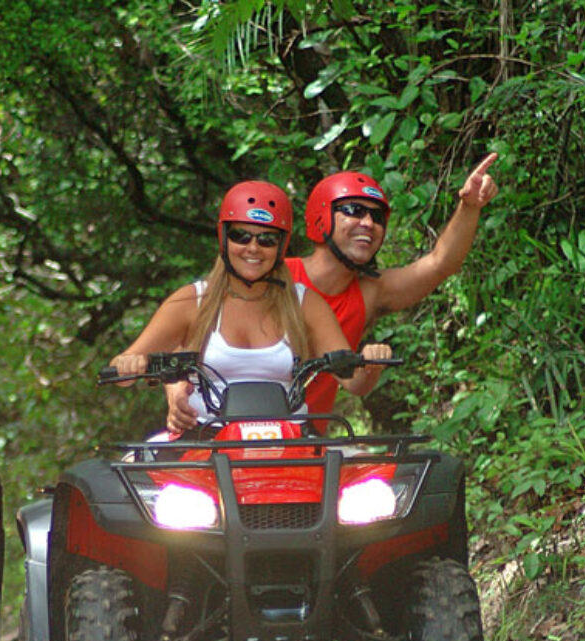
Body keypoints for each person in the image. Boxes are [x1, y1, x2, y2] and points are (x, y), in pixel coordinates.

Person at [111, 181, 391, 435]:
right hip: (203, 443)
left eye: (267, 239)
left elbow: (354, 382)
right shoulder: (191, 302)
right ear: (224, 238)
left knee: (364, 487)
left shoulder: (305, 303)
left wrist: (370, 363)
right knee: (141, 487)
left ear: (281, 246)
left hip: (289, 444)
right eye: (241, 236)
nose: (253, 248)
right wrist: (130, 364)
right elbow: (121, 371)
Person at [288, 154, 500, 419]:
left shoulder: (371, 291)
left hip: (307, 444)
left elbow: (439, 264)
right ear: (321, 217)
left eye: (377, 216)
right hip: (238, 434)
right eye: (355, 211)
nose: (368, 223)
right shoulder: (279, 276)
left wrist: (470, 206)